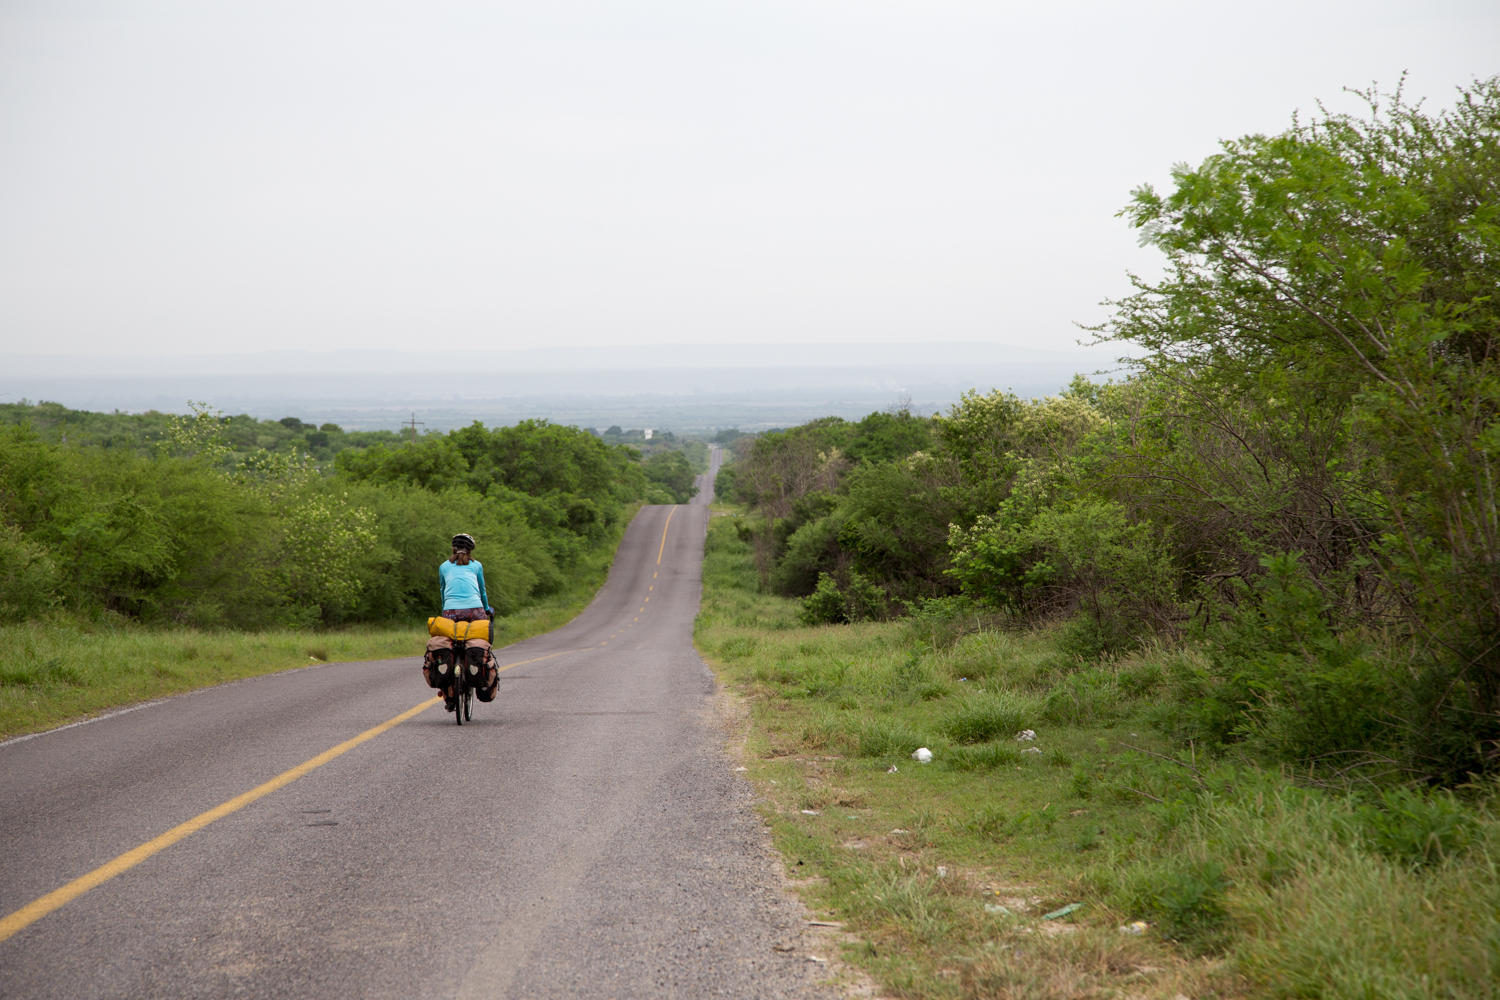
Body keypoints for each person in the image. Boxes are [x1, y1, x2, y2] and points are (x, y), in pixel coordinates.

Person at [426, 532, 498, 704]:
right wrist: (486, 609)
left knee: (448, 645)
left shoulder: (443, 566)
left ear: (453, 548)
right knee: (481, 641)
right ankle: (481, 677)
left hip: (450, 611)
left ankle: (449, 693)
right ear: (470, 550)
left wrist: (446, 610)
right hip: (475, 609)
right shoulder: (477, 566)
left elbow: (443, 591)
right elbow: (482, 591)